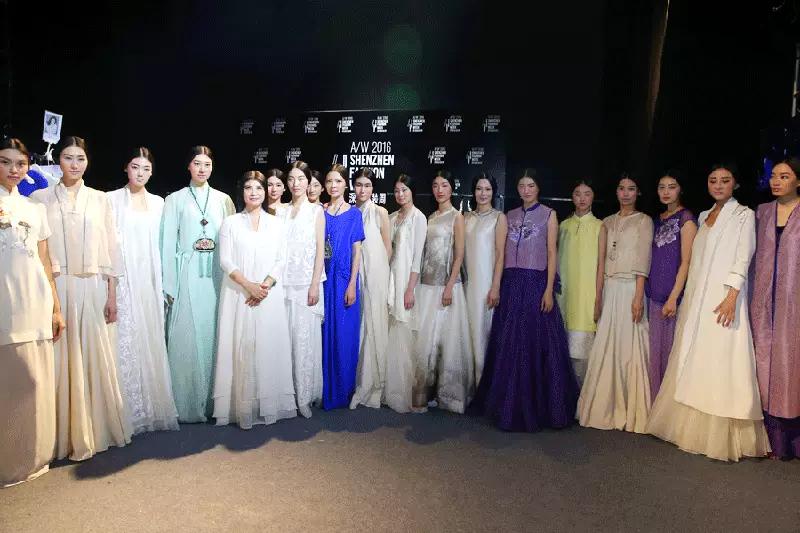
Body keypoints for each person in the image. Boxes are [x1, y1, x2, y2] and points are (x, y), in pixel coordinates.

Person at [647, 163, 769, 461]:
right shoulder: (703, 216)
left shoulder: (743, 215)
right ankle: (689, 428)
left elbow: (743, 257)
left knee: (720, 358)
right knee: (696, 357)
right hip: (698, 299)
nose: (718, 185)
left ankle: (720, 434)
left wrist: (732, 296)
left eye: (725, 181)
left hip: (724, 298)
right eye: (713, 180)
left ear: (735, 184)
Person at [31, 136, 132, 460]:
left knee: (92, 356)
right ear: (58, 161)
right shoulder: (39, 198)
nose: (74, 164)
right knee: (58, 360)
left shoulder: (99, 200)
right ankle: (56, 437)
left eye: (80, 158)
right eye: (68, 157)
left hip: (91, 287)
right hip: (56, 287)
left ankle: (94, 430)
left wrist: (112, 295)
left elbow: (112, 250)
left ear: (88, 162)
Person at [473, 169, 578, 431]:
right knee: (509, 345)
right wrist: (497, 285)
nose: (526, 190)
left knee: (534, 345)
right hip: (511, 284)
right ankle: (506, 405)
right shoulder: (509, 216)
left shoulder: (549, 215)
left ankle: (539, 407)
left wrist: (549, 289)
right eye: (522, 185)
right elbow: (501, 254)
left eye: (531, 185)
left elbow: (552, 253)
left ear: (538, 188)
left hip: (535, 284)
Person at [0, 138, 62, 487]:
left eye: (20, 164)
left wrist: (56, 308)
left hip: (35, 301)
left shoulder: (35, 209)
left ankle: (33, 456)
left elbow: (45, 261)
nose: (14, 169)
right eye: (5, 162)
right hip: (4, 303)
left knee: (33, 382)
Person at [213, 171, 296, 428]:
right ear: (242, 192)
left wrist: (264, 286)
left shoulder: (277, 224)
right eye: (248, 187)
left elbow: (281, 259)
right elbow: (225, 260)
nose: (254, 192)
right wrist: (248, 286)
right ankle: (241, 407)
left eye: (259, 188)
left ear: (265, 192)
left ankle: (268, 404)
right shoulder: (230, 223)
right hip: (239, 293)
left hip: (267, 295)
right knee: (242, 345)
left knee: (267, 345)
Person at [161, 145, 235, 423]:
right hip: (187, 274)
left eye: (207, 164)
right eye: (197, 163)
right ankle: (188, 404)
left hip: (216, 274)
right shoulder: (175, 199)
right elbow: (167, 243)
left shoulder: (224, 200)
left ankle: (216, 404)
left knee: (214, 334)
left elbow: (233, 241)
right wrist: (169, 284)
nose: (202, 169)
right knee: (187, 337)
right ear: (188, 166)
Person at [107, 147, 179, 434]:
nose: (140, 173)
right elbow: (108, 245)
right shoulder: (111, 200)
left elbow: (166, 245)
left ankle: (152, 408)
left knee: (151, 336)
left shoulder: (160, 203)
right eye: (135, 167)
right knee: (125, 339)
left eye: (146, 169)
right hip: (124, 279)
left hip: (150, 279)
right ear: (126, 168)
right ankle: (126, 411)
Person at [577, 174, 653, 433]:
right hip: (609, 288)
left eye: (631, 189)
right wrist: (598, 297)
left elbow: (643, 260)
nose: (626, 193)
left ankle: (631, 410)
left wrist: (638, 296)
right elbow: (601, 263)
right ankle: (603, 406)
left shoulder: (644, 221)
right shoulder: (607, 222)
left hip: (631, 287)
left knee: (630, 347)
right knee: (606, 344)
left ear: (638, 192)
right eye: (621, 188)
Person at [751, 157, 800, 460]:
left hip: (794, 303)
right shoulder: (762, 212)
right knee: (763, 362)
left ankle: (791, 440)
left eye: (784, 176)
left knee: (790, 364)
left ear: (798, 181)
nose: (776, 181)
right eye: (774, 176)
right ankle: (768, 438)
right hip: (763, 301)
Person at [412, 170, 473, 413]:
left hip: (447, 287)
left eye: (444, 185)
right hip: (427, 286)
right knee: (426, 342)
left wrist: (449, 286)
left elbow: (459, 255)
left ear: (452, 188)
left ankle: (449, 396)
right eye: (436, 185)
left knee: (447, 344)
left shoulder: (457, 217)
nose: (439, 190)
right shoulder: (431, 217)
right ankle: (426, 394)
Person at [646, 171, 696, 399]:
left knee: (670, 354)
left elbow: (686, 262)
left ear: (680, 189)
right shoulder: (657, 220)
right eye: (661, 187)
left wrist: (674, 297)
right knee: (655, 353)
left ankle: (668, 407)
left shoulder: (686, 219)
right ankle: (655, 405)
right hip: (654, 294)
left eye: (672, 187)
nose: (666, 192)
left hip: (672, 296)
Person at [281, 161, 325, 417]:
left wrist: (314, 284)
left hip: (307, 284)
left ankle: (304, 396)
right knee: (286, 340)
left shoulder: (316, 211)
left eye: (300, 179)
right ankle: (288, 395)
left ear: (309, 182)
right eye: (291, 179)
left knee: (305, 340)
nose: (295, 183)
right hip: (284, 285)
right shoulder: (282, 211)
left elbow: (320, 250)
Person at [321, 164, 364, 409]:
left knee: (345, 336)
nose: (333, 185)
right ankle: (324, 389)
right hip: (324, 281)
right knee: (324, 335)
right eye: (329, 181)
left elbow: (357, 252)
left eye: (338, 181)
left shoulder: (354, 214)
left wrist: (352, 284)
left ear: (345, 184)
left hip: (345, 280)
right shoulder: (320, 212)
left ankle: (345, 390)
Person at [349, 169, 391, 409]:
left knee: (374, 325)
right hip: (354, 275)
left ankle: (374, 384)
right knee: (358, 325)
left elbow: (388, 249)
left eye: (367, 185)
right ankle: (354, 380)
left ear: (373, 188)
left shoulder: (380, 212)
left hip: (376, 276)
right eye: (358, 184)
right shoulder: (350, 212)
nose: (362, 189)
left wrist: (382, 280)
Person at [384, 174, 426, 413]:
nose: (400, 194)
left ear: (412, 192)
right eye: (397, 190)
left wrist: (410, 289)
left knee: (405, 335)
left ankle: (404, 394)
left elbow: (417, 258)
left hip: (406, 282)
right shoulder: (391, 218)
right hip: (390, 279)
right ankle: (389, 390)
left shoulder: (418, 218)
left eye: (405, 190)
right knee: (391, 334)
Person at [556, 180, 602, 385]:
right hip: (564, 296)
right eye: (577, 193)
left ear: (593, 197)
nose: (582, 198)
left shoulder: (600, 226)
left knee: (583, 355)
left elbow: (601, 266)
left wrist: (598, 298)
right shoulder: (563, 226)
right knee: (562, 351)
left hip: (587, 297)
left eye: (587, 193)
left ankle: (582, 398)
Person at [463, 173, 506, 385]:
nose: (483, 193)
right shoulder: (465, 217)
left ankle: (484, 388)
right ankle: (469, 387)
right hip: (466, 285)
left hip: (486, 285)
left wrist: (495, 287)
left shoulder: (499, 218)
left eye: (487, 189)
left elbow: (500, 254)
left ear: (493, 192)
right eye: (479, 189)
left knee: (482, 335)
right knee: (467, 335)